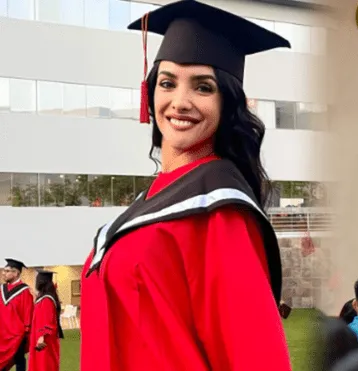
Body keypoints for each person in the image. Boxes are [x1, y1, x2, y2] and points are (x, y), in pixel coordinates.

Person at [80, 1, 292, 370]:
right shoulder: (155, 197)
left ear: (226, 102)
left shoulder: (220, 209)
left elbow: (256, 355)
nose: (180, 102)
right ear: (151, 93)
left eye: (203, 87)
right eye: (167, 83)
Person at [0, 259, 34, 371]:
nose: (3, 273)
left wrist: (26, 330)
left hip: (17, 334)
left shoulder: (24, 291)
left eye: (7, 271)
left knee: (19, 359)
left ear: (16, 273)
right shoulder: (2, 289)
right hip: (2, 332)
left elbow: (28, 311)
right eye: (4, 270)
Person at [28, 270, 64, 371]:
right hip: (40, 336)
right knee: (39, 364)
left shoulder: (47, 300)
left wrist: (41, 337)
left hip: (44, 340)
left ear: (41, 281)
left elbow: (46, 320)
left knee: (44, 364)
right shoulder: (45, 297)